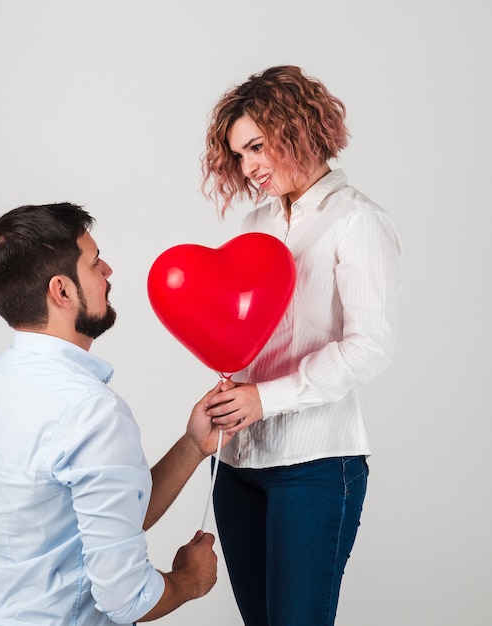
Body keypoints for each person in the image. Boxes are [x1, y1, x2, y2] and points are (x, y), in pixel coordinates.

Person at [0, 202, 233, 625]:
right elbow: (128, 599)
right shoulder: (91, 411)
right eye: (94, 263)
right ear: (62, 291)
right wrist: (189, 580)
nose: (108, 271)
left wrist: (192, 446)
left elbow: (98, 525)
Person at [199, 65, 402, 625]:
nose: (249, 167)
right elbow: (239, 327)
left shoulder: (357, 221)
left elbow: (370, 346)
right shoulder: (254, 224)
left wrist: (265, 398)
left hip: (315, 464)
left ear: (301, 128)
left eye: (258, 147)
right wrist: (231, 384)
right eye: (239, 155)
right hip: (237, 460)